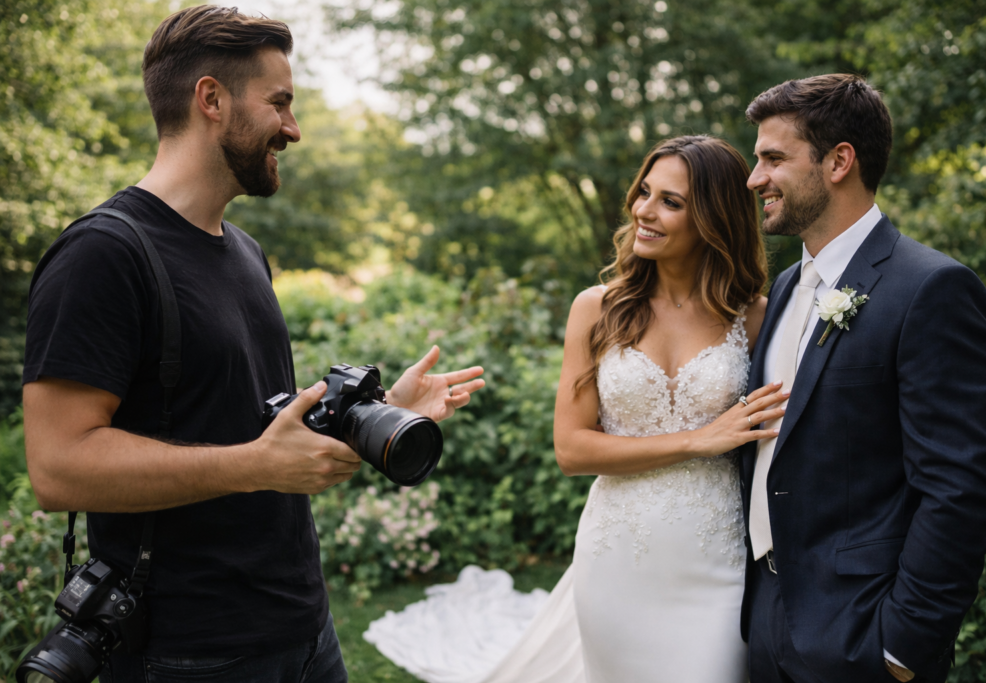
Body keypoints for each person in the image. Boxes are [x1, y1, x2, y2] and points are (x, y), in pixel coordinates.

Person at [21, 6, 483, 682]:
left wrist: (377, 412)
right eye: (280, 103)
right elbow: (58, 467)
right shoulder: (103, 254)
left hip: (303, 628)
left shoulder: (243, 251)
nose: (293, 129)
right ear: (211, 98)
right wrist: (254, 466)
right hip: (190, 652)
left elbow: (246, 424)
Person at [362, 135, 787, 683]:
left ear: (714, 217)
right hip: (617, 557)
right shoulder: (598, 309)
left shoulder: (753, 316)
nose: (644, 211)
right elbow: (572, 448)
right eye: (644, 193)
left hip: (716, 559)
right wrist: (698, 439)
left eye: (670, 202)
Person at [738, 74, 986, 683]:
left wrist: (903, 647)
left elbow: (962, 487)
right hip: (765, 623)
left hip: (862, 636)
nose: (756, 179)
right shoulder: (783, 289)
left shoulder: (931, 289)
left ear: (838, 161)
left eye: (773, 158)